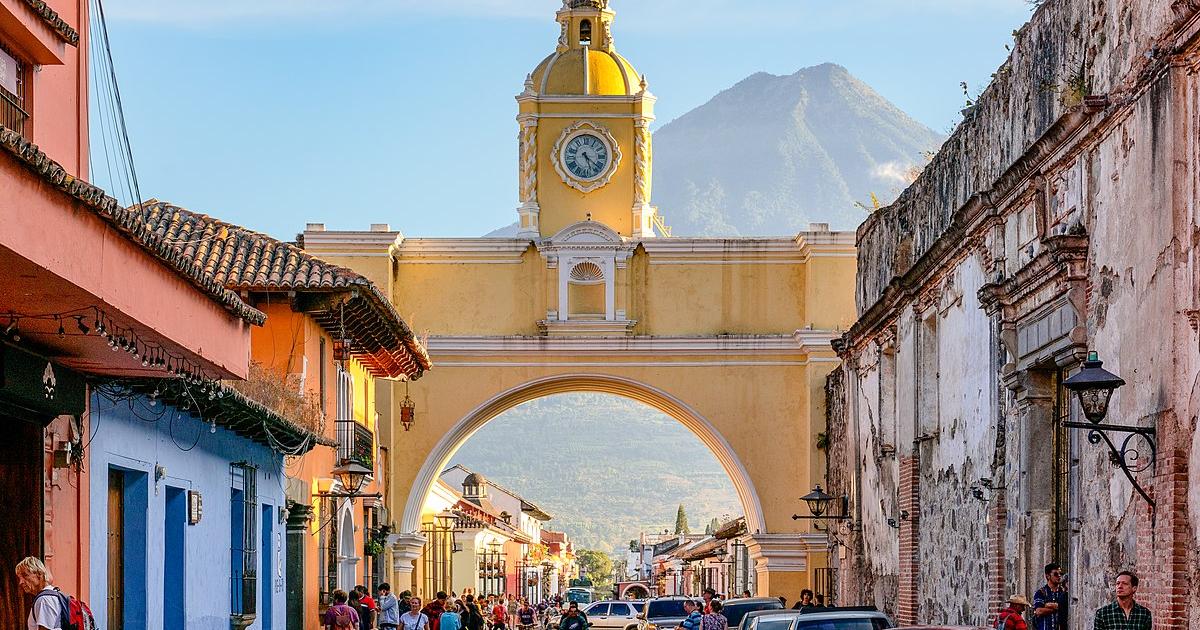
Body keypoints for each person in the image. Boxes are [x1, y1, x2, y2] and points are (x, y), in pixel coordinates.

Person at [16, 557, 63, 630]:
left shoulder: (44, 599)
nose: (21, 582)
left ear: (40, 574)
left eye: (25, 575)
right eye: (20, 578)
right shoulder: (54, 594)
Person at [1033, 563, 1068, 630]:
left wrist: (1047, 606)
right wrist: (1058, 608)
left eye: (1060, 573)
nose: (1059, 576)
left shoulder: (1063, 592)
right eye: (1055, 574)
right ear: (1048, 576)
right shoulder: (1041, 592)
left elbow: (1066, 609)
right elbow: (1039, 611)